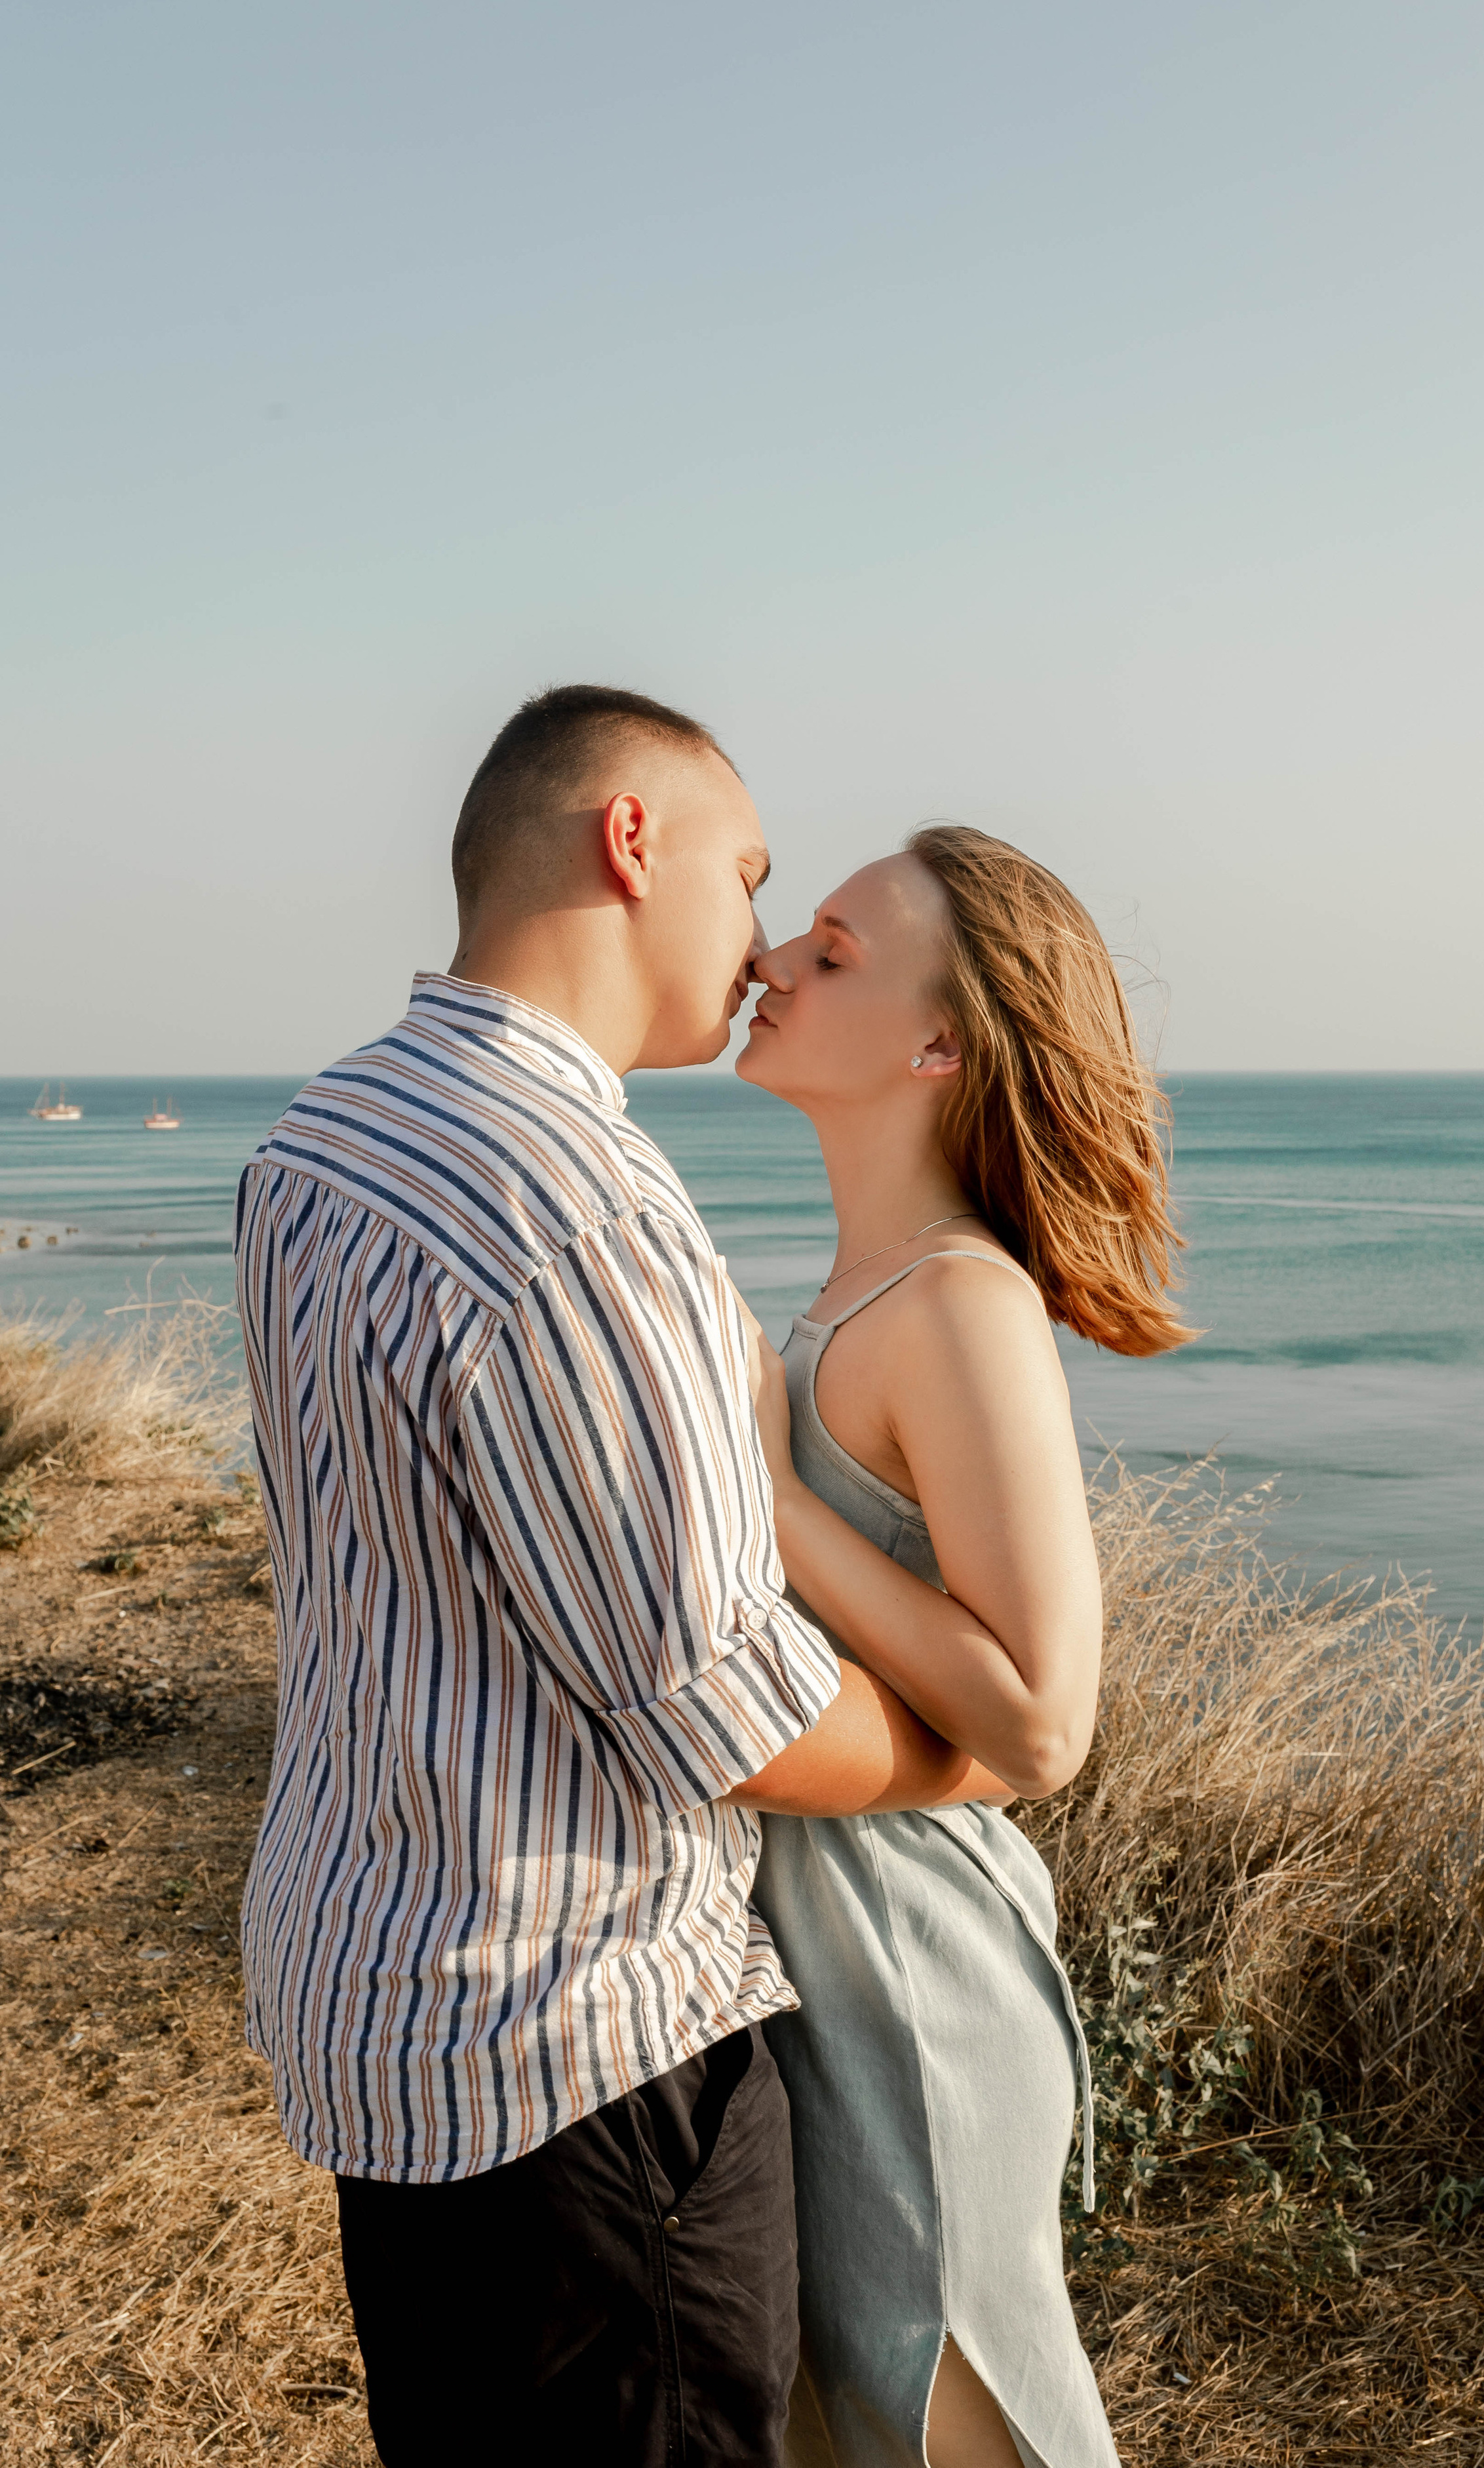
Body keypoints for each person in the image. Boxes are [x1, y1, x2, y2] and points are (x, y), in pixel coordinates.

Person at [232, 687, 1010, 2468]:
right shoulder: (582, 1212)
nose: (756, 946)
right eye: (747, 879)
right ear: (630, 840)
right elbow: (723, 1714)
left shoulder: (319, 1143)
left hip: (382, 2002)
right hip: (577, 2052)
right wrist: (967, 1755)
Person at [736, 826, 1190, 2468]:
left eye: (834, 952)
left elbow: (1044, 1721)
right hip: (823, 1949)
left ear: (939, 1044)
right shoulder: (859, 1291)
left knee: (958, 2415)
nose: (770, 959)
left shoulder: (953, 1303)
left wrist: (775, 1502)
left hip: (911, 1973)